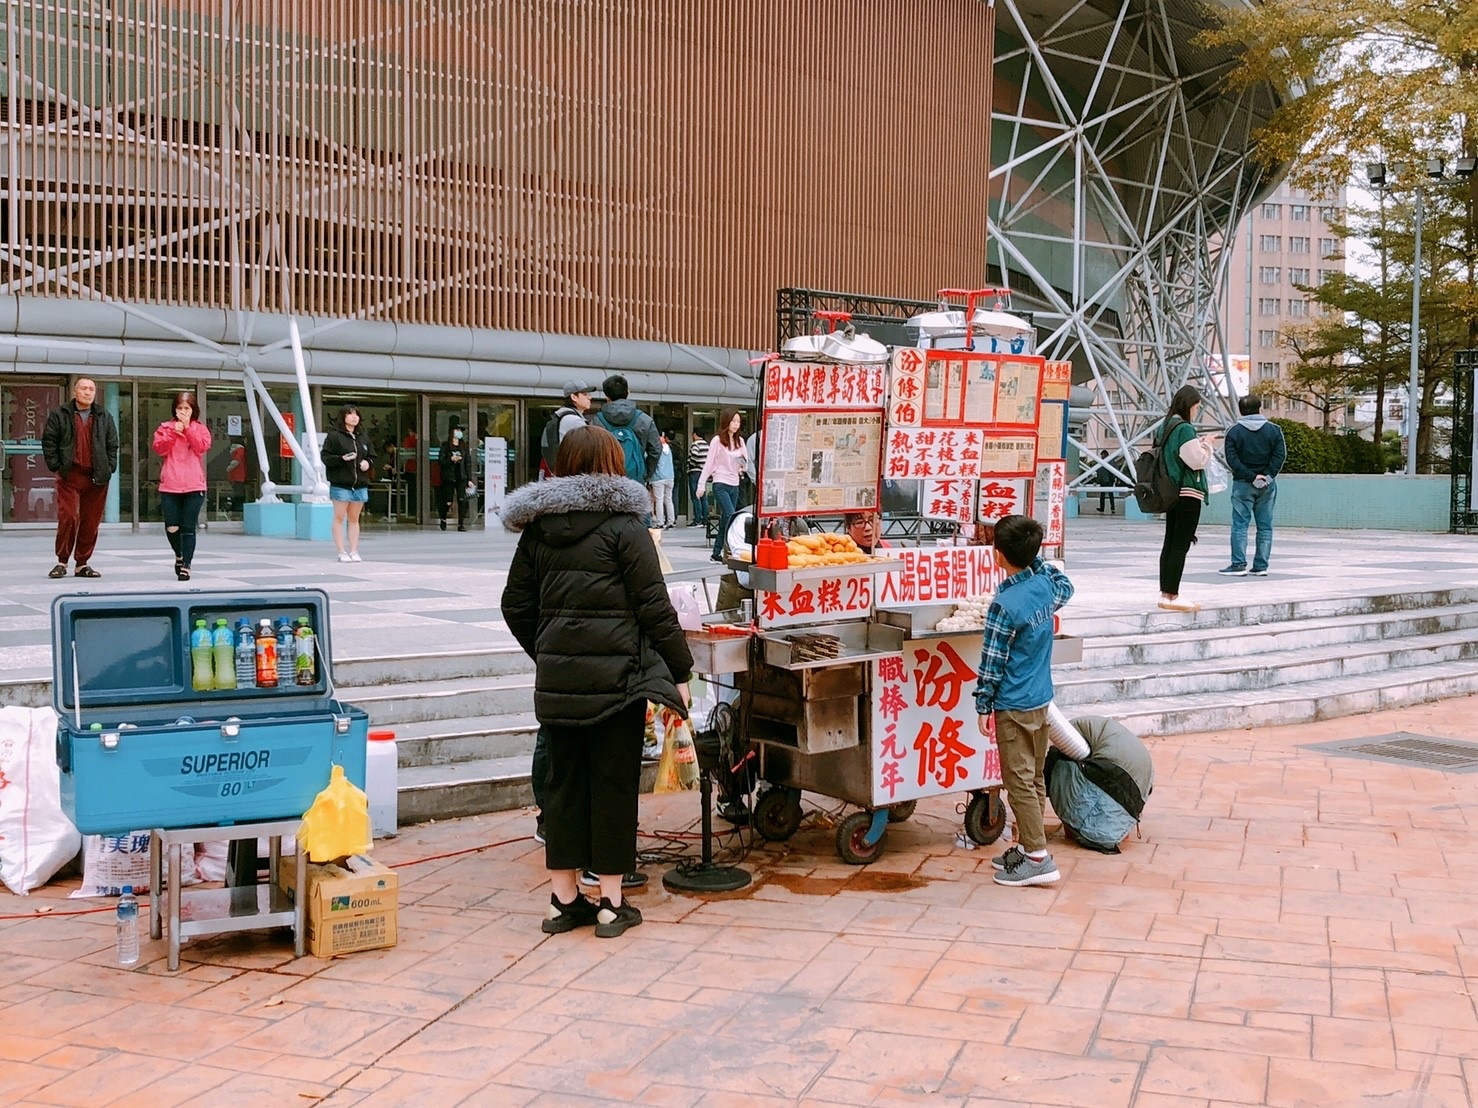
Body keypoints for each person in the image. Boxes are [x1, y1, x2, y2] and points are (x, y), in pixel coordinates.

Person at [500, 425, 693, 939]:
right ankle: (610, 903)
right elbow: (655, 608)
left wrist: (549, 653)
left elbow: (514, 604)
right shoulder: (626, 528)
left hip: (559, 685)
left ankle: (564, 903)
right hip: (618, 684)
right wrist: (680, 670)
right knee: (612, 787)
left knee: (562, 790)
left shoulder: (538, 530)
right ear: (614, 463)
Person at [972, 514, 1075, 888]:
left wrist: (983, 703)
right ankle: (1031, 844)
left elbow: (992, 661)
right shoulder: (1045, 587)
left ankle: (1037, 858)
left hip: (1013, 704)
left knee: (1018, 782)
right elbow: (1067, 585)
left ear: (998, 554)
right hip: (1040, 698)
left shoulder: (1005, 602)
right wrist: (1037, 560)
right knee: (1033, 777)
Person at [42, 377, 119, 580]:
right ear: (75, 392)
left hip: (97, 476)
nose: (88, 392)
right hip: (70, 474)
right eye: (83, 388)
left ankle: (82, 563)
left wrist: (109, 467)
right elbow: (49, 442)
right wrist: (56, 466)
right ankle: (62, 561)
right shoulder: (60, 414)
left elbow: (113, 444)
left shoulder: (103, 416)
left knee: (91, 520)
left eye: (91, 389)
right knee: (68, 516)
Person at [1157, 384, 1214, 612]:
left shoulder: (1166, 426)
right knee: (1180, 545)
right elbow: (1196, 461)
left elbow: (1177, 454)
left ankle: (1165, 593)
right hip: (1188, 492)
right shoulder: (1185, 428)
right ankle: (1173, 595)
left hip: (1170, 491)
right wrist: (1207, 445)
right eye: (1196, 407)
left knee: (1170, 542)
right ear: (1189, 404)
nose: (1196, 411)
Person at [1220, 395, 1286, 577]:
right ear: (1259, 408)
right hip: (1267, 485)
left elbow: (1232, 459)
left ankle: (1238, 564)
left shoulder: (1233, 431)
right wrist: (1267, 476)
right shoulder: (1274, 430)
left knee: (1240, 524)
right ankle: (1261, 566)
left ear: (1240, 410)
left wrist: (1250, 476)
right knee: (1265, 526)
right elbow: (1280, 456)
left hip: (1242, 484)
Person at [151, 391, 212, 581]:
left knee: (188, 527)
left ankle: (187, 565)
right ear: (174, 409)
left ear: (193, 410)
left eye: (187, 408)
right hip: (170, 485)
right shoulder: (165, 428)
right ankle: (178, 554)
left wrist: (187, 429)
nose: (183, 411)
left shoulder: (199, 428)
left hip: (194, 485)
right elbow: (159, 448)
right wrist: (173, 432)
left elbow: (202, 447)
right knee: (171, 527)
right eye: (180, 408)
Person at [694, 409, 750, 562]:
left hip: (735, 483)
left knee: (727, 519)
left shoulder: (740, 442)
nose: (736, 425)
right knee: (731, 516)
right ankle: (732, 550)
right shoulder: (717, 441)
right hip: (720, 483)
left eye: (738, 421)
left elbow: (745, 465)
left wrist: (742, 463)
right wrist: (701, 484)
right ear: (726, 422)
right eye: (733, 421)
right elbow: (709, 464)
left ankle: (716, 552)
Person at [323, 404, 375, 562]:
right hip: (341, 483)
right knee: (339, 517)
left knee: (354, 518)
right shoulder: (334, 436)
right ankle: (341, 551)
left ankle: (354, 550)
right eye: (350, 414)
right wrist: (341, 459)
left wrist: (368, 463)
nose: (354, 417)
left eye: (356, 414)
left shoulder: (363, 436)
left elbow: (372, 455)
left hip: (360, 483)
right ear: (343, 417)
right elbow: (325, 457)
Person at [593, 374, 661, 485]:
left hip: (605, 480)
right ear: (628, 392)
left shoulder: (596, 420)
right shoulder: (645, 419)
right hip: (635, 481)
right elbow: (656, 449)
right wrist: (645, 473)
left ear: (607, 397)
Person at [437, 419, 473, 531]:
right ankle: (443, 518)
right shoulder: (445, 446)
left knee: (462, 500)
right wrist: (451, 459)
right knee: (448, 500)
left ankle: (461, 524)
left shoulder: (464, 446)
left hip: (461, 476)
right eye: (457, 430)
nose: (459, 432)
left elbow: (467, 463)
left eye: (460, 430)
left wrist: (469, 479)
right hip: (449, 477)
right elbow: (441, 462)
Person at [650, 431, 676, 527]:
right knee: (668, 499)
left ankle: (660, 522)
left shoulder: (657, 449)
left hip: (658, 477)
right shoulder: (668, 448)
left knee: (659, 500)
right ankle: (671, 521)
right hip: (670, 477)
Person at [686, 428, 709, 527]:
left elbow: (694, 455)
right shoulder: (706, 445)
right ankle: (705, 518)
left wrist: (691, 464)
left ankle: (698, 519)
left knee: (696, 496)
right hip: (704, 472)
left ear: (695, 434)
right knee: (703, 496)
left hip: (695, 471)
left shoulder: (695, 444)